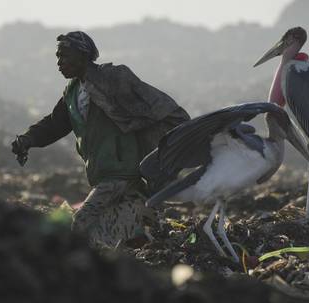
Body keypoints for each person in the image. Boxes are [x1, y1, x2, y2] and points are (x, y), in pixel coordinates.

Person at [12, 31, 189, 246]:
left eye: (64, 56)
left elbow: (157, 105)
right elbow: (55, 124)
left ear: (82, 56)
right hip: (104, 174)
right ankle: (141, 248)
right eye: (58, 57)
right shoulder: (72, 91)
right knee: (121, 231)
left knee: (81, 222)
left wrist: (182, 134)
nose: (59, 62)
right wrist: (27, 140)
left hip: (121, 172)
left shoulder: (112, 78)